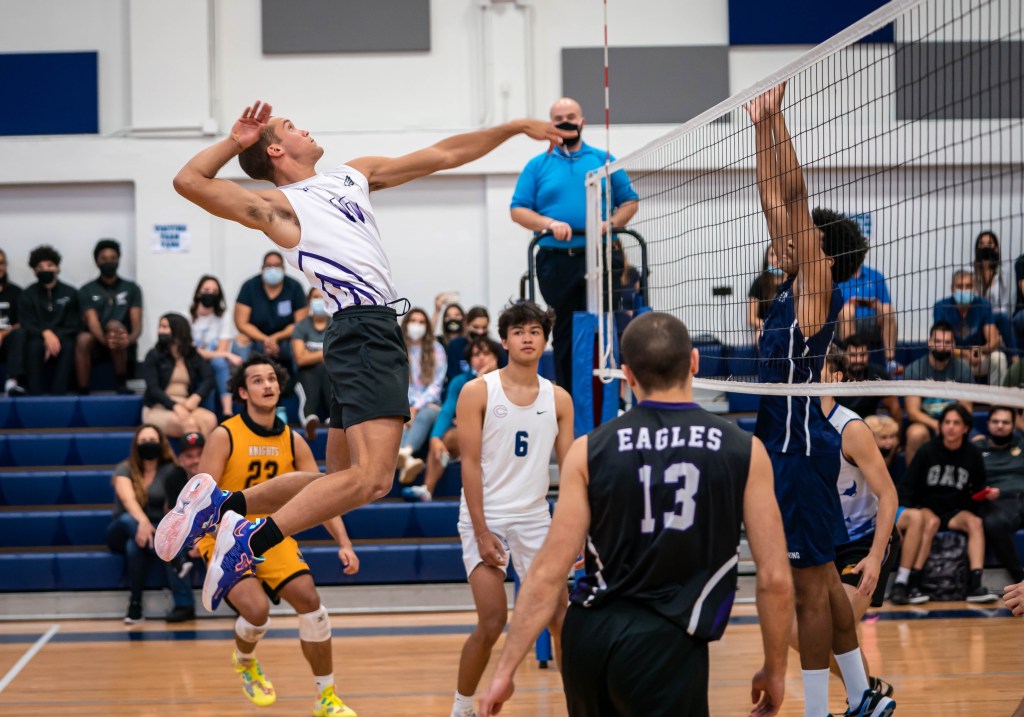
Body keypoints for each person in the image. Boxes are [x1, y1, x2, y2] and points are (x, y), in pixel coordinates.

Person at [156, 99, 573, 611]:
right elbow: (188, 182)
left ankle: (221, 506)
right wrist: (233, 143)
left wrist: (514, 127)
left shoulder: (354, 175)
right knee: (374, 480)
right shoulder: (279, 206)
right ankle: (250, 539)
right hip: (364, 331)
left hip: (363, 334)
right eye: (291, 126)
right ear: (276, 149)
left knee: (339, 481)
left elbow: (444, 154)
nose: (305, 128)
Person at [477, 312, 794, 717]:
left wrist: (505, 670)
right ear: (694, 362)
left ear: (626, 374)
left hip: (589, 637)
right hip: (668, 642)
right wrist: (776, 669)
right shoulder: (744, 449)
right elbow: (774, 577)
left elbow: (547, 571)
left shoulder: (588, 450)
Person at [745, 84, 892, 717]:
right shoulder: (791, 286)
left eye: (799, 238)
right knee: (826, 580)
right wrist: (762, 127)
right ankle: (862, 696)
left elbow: (795, 199)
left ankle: (816, 710)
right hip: (798, 446)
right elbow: (773, 199)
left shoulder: (816, 288)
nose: (781, 236)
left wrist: (781, 120)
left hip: (798, 454)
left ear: (822, 255)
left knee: (807, 593)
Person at [186, 354, 359, 715]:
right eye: (257, 380)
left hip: (270, 531)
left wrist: (344, 542)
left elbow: (324, 494)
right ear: (242, 392)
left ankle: (326, 697)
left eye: (271, 379)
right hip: (223, 535)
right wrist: (196, 535)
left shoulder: (293, 441)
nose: (267, 385)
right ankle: (245, 659)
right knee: (257, 611)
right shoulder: (224, 435)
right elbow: (202, 497)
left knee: (311, 602)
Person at [449, 302, 573, 717]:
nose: (527, 338)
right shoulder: (478, 391)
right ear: (504, 340)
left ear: (545, 340)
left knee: (561, 618)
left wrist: (574, 532)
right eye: (518, 331)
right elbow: (468, 464)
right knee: (491, 621)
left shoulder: (559, 398)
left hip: (535, 518)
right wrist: (482, 530)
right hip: (486, 516)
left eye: (535, 331)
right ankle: (462, 708)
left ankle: (579, 706)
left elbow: (571, 471)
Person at [510, 96, 640, 390]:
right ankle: (567, 398)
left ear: (582, 121)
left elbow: (630, 202)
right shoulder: (538, 165)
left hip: (601, 257)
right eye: (559, 119)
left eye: (571, 117)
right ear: (551, 124)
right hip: (557, 262)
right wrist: (548, 224)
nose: (565, 122)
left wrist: (610, 223)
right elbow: (518, 210)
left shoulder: (604, 160)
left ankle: (608, 398)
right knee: (565, 331)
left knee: (606, 328)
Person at [809, 349, 899, 697]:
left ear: (835, 378)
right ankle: (867, 691)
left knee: (834, 628)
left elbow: (888, 495)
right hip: (821, 542)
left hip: (863, 541)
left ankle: (863, 699)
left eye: (814, 365)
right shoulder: (793, 429)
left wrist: (876, 556)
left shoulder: (851, 428)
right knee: (798, 633)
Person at [901, 402, 1000, 603]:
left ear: (965, 428)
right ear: (940, 426)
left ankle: (975, 585)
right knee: (931, 522)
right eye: (946, 422)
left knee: (975, 523)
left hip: (955, 511)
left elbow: (978, 487)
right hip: (927, 508)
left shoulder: (973, 453)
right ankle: (913, 584)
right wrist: (908, 510)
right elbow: (908, 484)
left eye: (956, 423)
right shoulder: (927, 451)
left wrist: (987, 494)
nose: (951, 427)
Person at [105, 424, 194, 623]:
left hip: (151, 532)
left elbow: (173, 508)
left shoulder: (170, 470)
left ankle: (135, 606)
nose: (148, 444)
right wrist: (143, 522)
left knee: (134, 547)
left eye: (152, 440)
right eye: (143, 441)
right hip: (122, 528)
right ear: (136, 445)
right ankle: (175, 560)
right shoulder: (125, 468)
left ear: (161, 444)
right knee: (128, 521)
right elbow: (128, 500)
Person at [404, 336, 502, 503]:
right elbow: (447, 411)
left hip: (498, 437)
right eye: (476, 354)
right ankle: (427, 490)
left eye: (486, 353)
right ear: (469, 360)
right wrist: (435, 437)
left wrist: (482, 381)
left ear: (496, 357)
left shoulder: (504, 380)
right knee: (445, 437)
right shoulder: (459, 382)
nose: (481, 358)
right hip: (471, 439)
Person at [75, 238, 143, 394]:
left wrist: (127, 339)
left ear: (119, 260)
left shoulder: (132, 288)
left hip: (122, 342)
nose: (109, 262)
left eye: (113, 258)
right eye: (104, 259)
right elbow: (92, 321)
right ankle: (83, 391)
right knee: (83, 338)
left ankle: (121, 384)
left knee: (114, 326)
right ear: (97, 261)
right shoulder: (86, 290)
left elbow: (137, 325)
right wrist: (108, 341)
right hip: (97, 341)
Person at [903, 321, 975, 466]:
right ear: (929, 342)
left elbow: (967, 409)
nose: (942, 346)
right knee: (915, 434)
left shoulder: (963, 369)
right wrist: (939, 425)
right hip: (926, 422)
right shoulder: (914, 369)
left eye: (947, 342)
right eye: (938, 341)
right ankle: (913, 480)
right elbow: (912, 413)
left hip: (954, 421)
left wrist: (951, 425)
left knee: (978, 440)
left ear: (953, 345)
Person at [15, 245, 80, 395]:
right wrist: (45, 333)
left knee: (68, 346)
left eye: (50, 265)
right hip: (37, 337)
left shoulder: (70, 292)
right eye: (40, 267)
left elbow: (74, 323)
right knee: (34, 346)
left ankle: (59, 394)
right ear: (34, 271)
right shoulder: (27, 294)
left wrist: (55, 336)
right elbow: (26, 322)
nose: (45, 269)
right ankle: (34, 395)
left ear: (57, 267)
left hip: (63, 337)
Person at [141, 313, 217, 438]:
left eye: (165, 327)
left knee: (210, 420)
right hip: (158, 407)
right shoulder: (153, 355)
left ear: (178, 330)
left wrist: (196, 397)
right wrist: (174, 405)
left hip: (185, 404)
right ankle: (194, 451)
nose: (160, 331)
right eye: (160, 327)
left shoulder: (191, 355)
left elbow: (209, 377)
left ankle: (203, 451)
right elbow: (153, 389)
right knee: (189, 424)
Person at [395, 307, 447, 486]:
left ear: (427, 326)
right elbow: (396, 382)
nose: (417, 325)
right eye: (413, 321)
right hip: (403, 403)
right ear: (406, 324)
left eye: (421, 322)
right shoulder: (397, 349)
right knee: (399, 419)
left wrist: (416, 407)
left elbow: (436, 385)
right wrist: (408, 406)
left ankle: (405, 452)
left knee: (426, 413)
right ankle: (407, 461)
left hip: (429, 404)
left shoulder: (436, 349)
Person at [973, 407, 1024, 585]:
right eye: (995, 421)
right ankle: (1020, 578)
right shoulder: (976, 448)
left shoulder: (1022, 444)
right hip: (997, 503)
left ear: (1014, 425)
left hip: (1022, 496)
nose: (1000, 426)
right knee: (993, 522)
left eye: (1005, 422)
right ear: (988, 423)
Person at [234, 250, 308, 371]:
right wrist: (265, 339)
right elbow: (241, 323)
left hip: (286, 340)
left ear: (283, 269)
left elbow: (300, 324)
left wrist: (276, 337)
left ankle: (299, 382)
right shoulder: (249, 287)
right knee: (240, 342)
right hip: (256, 340)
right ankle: (244, 380)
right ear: (262, 268)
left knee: (299, 343)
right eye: (269, 266)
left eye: (277, 266)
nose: (273, 269)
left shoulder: (295, 287)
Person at [933, 268, 1007, 385]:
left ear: (975, 288)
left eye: (968, 286)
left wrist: (979, 350)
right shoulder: (941, 307)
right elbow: (940, 344)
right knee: (940, 358)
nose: (964, 290)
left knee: (999, 358)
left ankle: (996, 396)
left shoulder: (984, 305)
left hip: (978, 357)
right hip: (953, 358)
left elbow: (993, 341)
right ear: (952, 288)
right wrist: (965, 353)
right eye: (960, 286)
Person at [190, 274, 241, 417]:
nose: (210, 294)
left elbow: (221, 350)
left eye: (214, 292)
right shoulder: (187, 317)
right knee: (216, 364)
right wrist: (227, 354)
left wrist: (223, 353)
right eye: (206, 290)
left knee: (218, 363)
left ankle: (227, 412)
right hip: (193, 363)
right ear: (198, 292)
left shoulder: (223, 317)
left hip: (214, 364)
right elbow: (191, 353)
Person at [836, 261, 898, 371]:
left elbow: (886, 305)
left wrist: (874, 305)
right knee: (846, 310)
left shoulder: (876, 276)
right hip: (846, 321)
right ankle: (847, 362)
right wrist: (849, 304)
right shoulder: (838, 277)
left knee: (887, 309)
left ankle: (890, 361)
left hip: (873, 322)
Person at [292, 287, 332, 441]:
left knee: (326, 371)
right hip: (306, 374)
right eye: (315, 297)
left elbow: (341, 355)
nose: (319, 300)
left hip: (331, 372)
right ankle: (309, 420)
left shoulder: (336, 324)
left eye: (322, 296)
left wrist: (310, 354)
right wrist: (326, 352)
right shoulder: (301, 326)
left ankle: (332, 418)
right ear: (309, 302)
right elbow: (300, 359)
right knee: (312, 373)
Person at [835, 336, 902, 419]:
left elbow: (895, 409)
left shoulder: (878, 374)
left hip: (868, 423)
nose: (858, 360)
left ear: (868, 354)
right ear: (843, 355)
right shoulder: (834, 375)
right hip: (838, 422)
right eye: (852, 355)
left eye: (863, 355)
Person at [973, 230, 1015, 353]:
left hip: (1001, 318)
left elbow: (1008, 302)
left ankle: (1014, 358)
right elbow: (973, 303)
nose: (986, 247)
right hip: (978, 319)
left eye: (990, 243)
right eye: (982, 244)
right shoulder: (970, 273)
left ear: (996, 249)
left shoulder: (1004, 273)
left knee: (1002, 318)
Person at [747, 246, 786, 346]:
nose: (776, 259)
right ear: (766, 258)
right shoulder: (759, 283)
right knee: (759, 335)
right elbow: (751, 318)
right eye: (772, 255)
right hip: (766, 328)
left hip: (788, 328)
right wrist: (771, 326)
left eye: (779, 254)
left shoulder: (791, 283)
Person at [0, 247, 24, 395]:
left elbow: (23, 322)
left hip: (8, 341)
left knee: (19, 334)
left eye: (1, 263)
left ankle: (12, 383)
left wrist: (2, 334)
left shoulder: (16, 292)